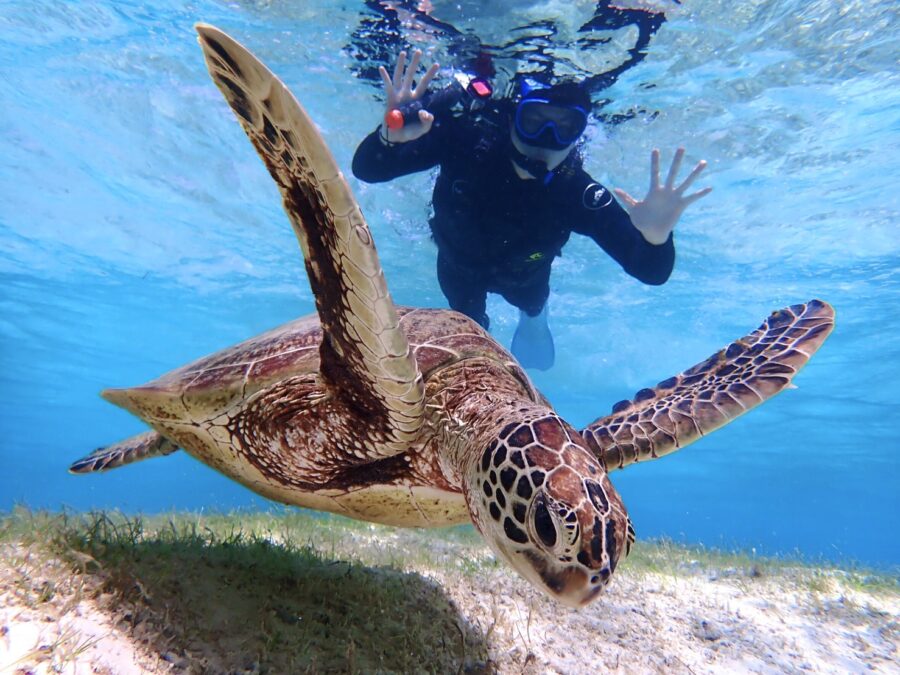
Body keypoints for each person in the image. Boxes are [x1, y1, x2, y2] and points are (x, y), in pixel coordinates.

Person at [352, 50, 711, 370]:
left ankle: (535, 319)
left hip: (527, 278)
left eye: (565, 127)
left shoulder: (575, 192)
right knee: (470, 328)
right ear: (511, 118)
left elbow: (651, 271)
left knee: (532, 302)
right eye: (535, 121)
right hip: (458, 268)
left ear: (578, 135)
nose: (548, 138)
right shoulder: (465, 143)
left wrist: (656, 236)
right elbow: (368, 169)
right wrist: (388, 137)